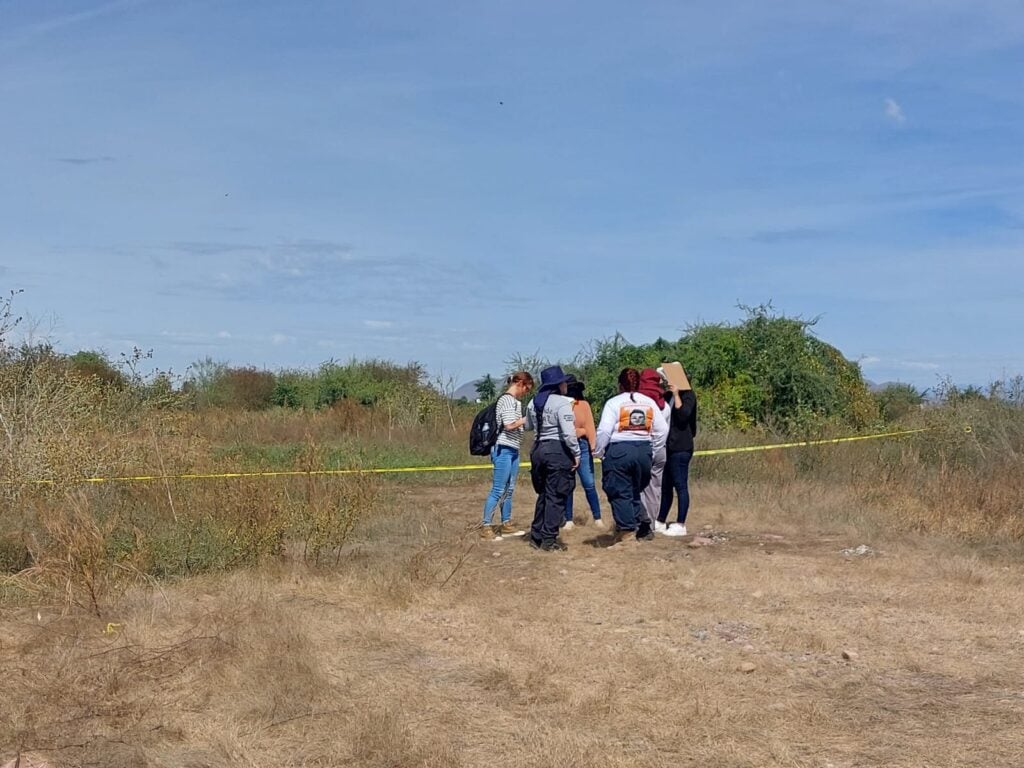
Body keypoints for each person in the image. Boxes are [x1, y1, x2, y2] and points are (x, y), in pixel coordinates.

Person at [594, 367, 669, 542]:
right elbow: (662, 429)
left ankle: (627, 532)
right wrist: (653, 450)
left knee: (619, 492)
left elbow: (604, 430)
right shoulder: (648, 402)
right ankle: (642, 526)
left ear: (620, 385)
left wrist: (599, 451)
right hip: (644, 450)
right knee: (635, 491)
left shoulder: (614, 403)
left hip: (619, 450)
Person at [525, 365, 580, 551]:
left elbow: (528, 427)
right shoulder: (563, 403)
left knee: (544, 494)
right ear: (559, 384)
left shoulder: (534, 402)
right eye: (564, 381)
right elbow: (569, 433)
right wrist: (576, 453)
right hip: (557, 451)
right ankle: (549, 539)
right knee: (556, 495)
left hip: (538, 449)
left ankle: (536, 535)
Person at [480, 371, 535, 539]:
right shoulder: (506, 401)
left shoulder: (515, 403)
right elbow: (509, 425)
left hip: (513, 449)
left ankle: (506, 523)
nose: (526, 392)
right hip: (503, 448)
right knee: (498, 489)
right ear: (520, 384)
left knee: (509, 489)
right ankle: (486, 525)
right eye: (526, 388)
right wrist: (526, 419)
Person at [658, 377, 698, 536]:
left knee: (680, 484)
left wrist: (676, 395)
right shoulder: (667, 396)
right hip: (668, 446)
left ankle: (681, 523)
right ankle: (661, 520)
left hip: (681, 447)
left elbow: (683, 416)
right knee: (666, 485)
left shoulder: (689, 395)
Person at [563, 376, 604, 529]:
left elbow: (590, 427)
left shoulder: (584, 405)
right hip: (566, 446)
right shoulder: (561, 405)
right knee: (568, 484)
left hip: (583, 445)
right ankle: (568, 519)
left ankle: (597, 517)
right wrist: (579, 431)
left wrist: (593, 446)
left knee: (588, 483)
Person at [638, 368, 671, 531]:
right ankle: (650, 525)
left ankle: (639, 523)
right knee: (654, 489)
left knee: (637, 487)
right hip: (660, 450)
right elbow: (666, 430)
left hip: (642, 447)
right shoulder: (665, 406)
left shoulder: (638, 402)